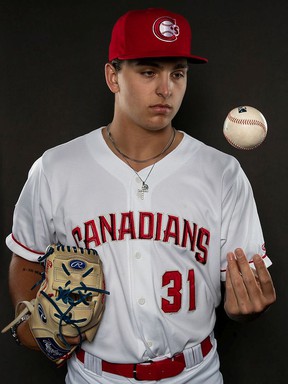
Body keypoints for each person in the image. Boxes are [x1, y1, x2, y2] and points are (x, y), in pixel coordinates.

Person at [5, 7, 276, 384]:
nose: (166, 88)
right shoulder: (56, 168)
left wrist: (246, 309)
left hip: (195, 374)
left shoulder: (223, 173)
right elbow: (27, 258)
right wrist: (38, 323)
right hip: (94, 377)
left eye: (177, 73)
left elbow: (241, 296)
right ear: (112, 76)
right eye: (149, 71)